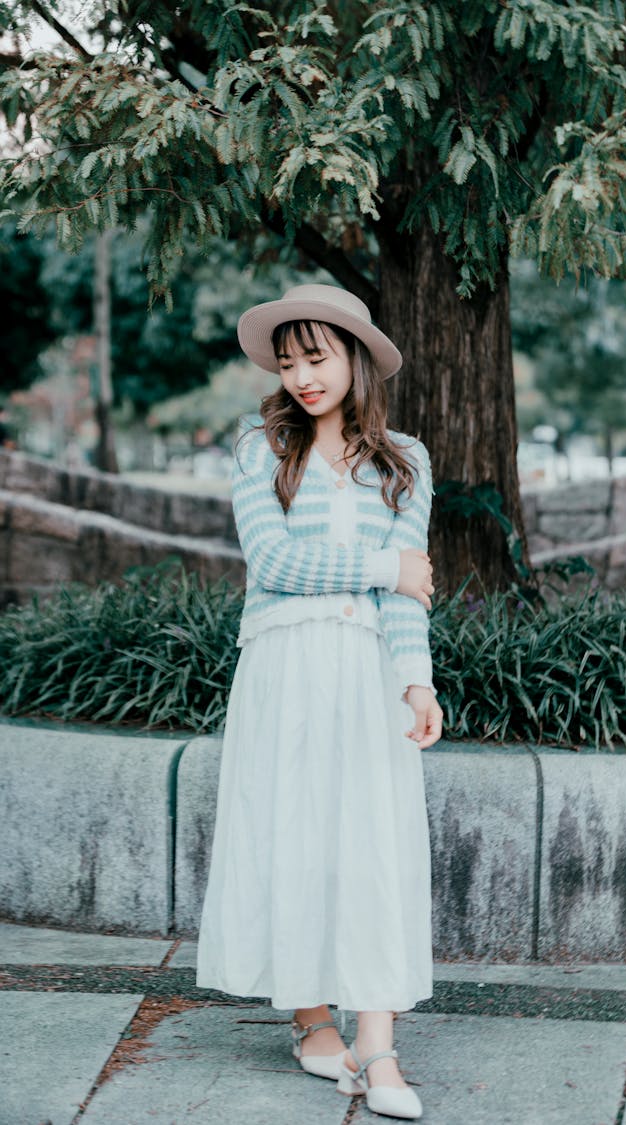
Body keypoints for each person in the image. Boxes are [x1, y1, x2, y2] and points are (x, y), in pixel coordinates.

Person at [196, 284, 443, 1120]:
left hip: (366, 668)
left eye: (319, 356)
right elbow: (272, 564)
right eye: (289, 360)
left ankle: (377, 1044)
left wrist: (420, 680)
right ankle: (309, 1021)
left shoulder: (404, 457)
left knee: (376, 846)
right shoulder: (260, 448)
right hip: (283, 665)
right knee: (292, 834)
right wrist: (385, 570)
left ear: (356, 356)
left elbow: (410, 597)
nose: (302, 375)